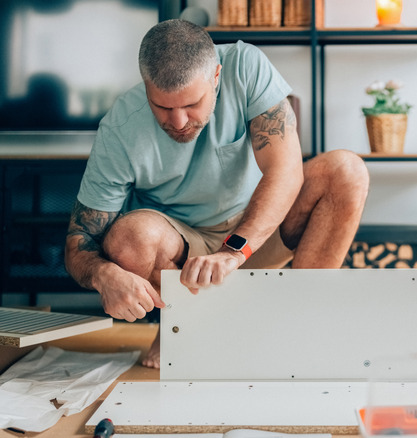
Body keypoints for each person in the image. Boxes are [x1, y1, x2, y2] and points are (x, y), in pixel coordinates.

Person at [64, 19, 369, 369]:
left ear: (216, 76)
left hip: (255, 233)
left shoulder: (246, 66)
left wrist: (232, 252)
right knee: (129, 239)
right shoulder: (119, 128)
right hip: (180, 255)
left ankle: (299, 325)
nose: (178, 121)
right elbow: (79, 240)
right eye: (162, 107)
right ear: (146, 86)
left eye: (192, 104)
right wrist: (104, 275)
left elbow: (286, 170)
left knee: (347, 170)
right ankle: (182, 325)